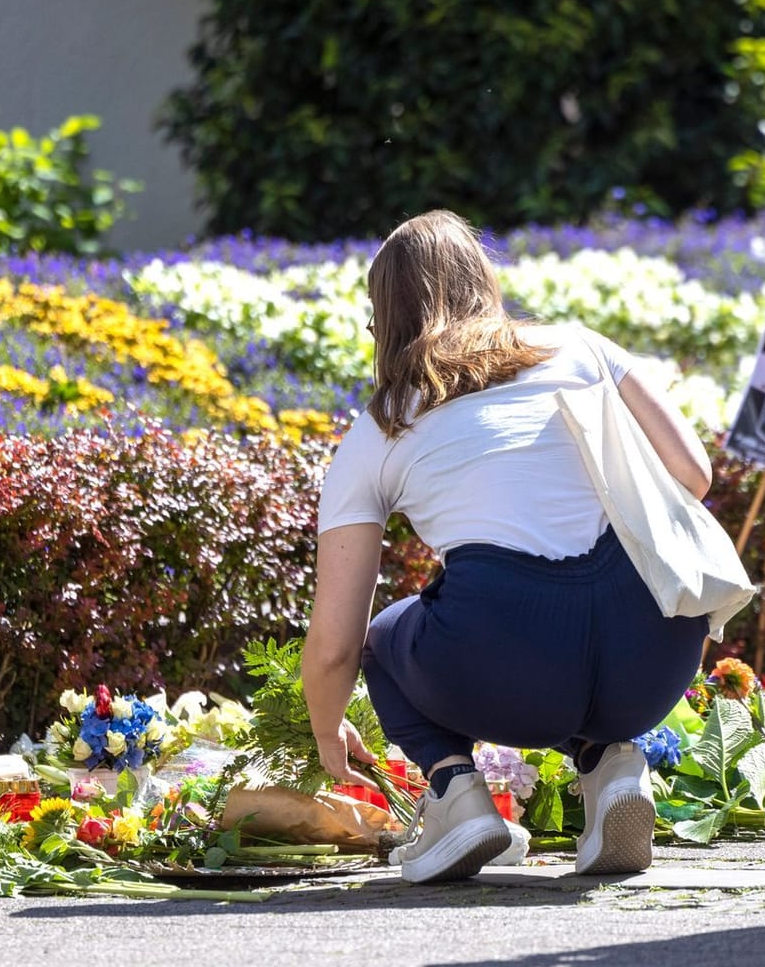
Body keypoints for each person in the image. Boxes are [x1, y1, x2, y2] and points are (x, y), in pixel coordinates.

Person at [301, 209, 713, 884]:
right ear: (484, 282)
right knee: (574, 640)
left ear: (386, 316)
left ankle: (457, 797)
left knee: (385, 636)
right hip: (657, 648)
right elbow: (693, 475)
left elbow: (337, 644)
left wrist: (326, 733)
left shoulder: (381, 427)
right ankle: (613, 765)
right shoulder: (581, 347)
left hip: (510, 662)